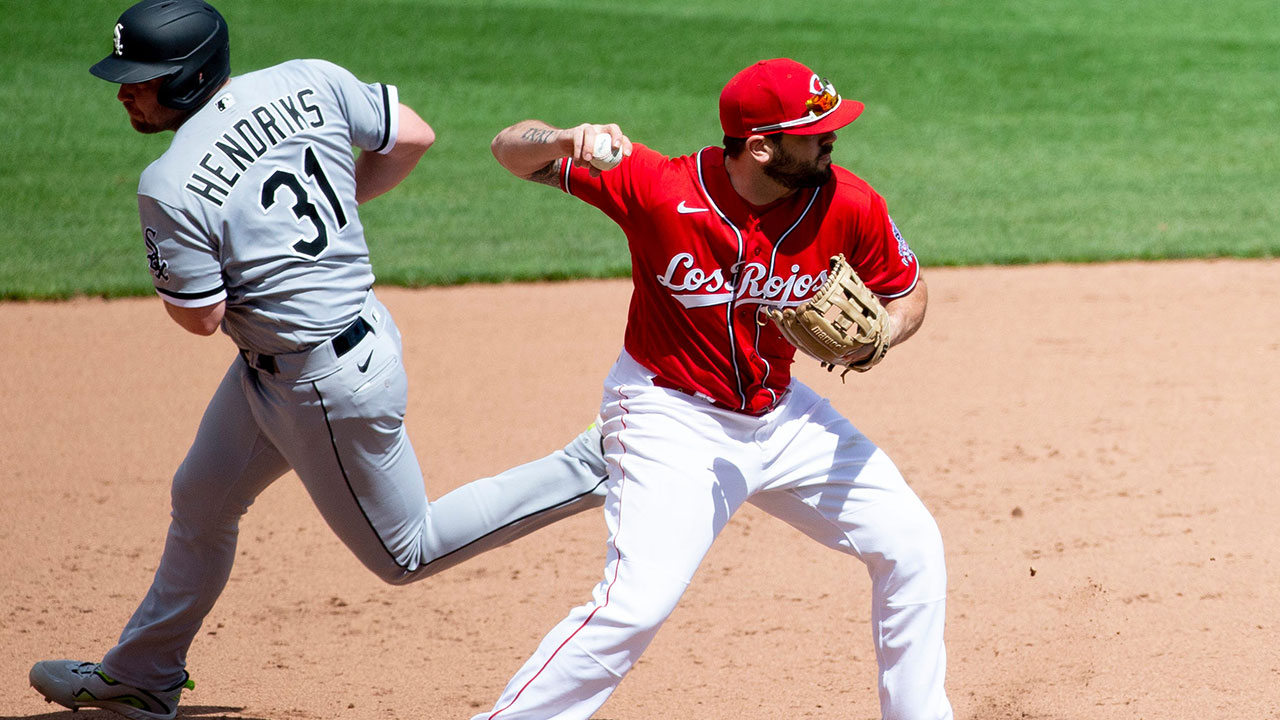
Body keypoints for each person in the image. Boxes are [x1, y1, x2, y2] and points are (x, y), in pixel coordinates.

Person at [28, 2, 609, 718]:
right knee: (202, 500)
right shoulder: (310, 79)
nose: (123, 90)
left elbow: (201, 316)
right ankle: (144, 676)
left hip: (322, 388)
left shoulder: (170, 182)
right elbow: (414, 136)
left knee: (406, 552)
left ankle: (594, 466)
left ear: (188, 78)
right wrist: (339, 200)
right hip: (326, 348)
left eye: (140, 79)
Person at [481, 58, 952, 720]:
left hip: (781, 416)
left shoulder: (848, 201)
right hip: (667, 416)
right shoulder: (655, 185)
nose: (831, 139)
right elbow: (509, 148)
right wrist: (561, 138)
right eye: (814, 130)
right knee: (635, 606)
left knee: (912, 546)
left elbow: (907, 291)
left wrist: (884, 334)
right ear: (761, 145)